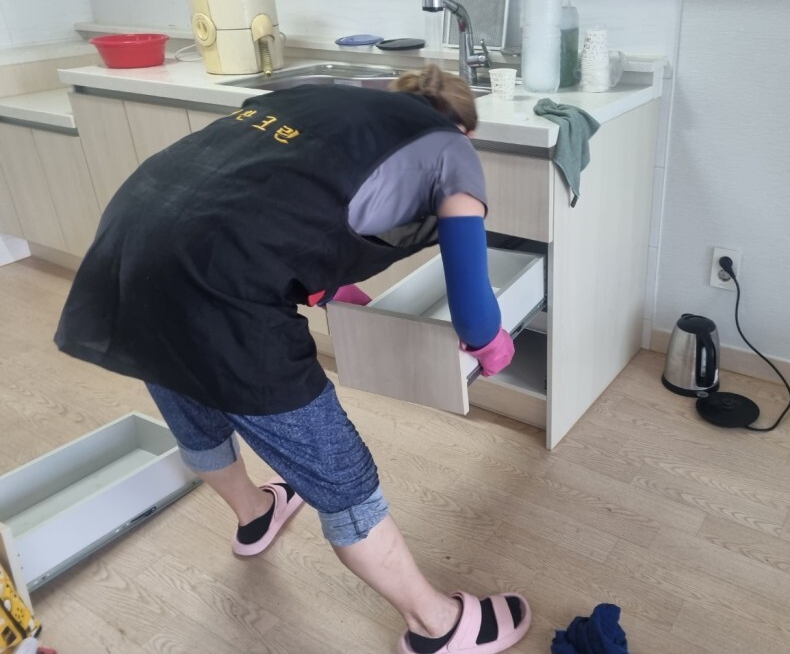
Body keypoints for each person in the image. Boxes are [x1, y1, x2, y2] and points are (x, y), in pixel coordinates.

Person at [54, 64, 531, 654]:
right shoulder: (452, 152)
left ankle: (255, 513)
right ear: (464, 130)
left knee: (189, 400)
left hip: (129, 246)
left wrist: (336, 292)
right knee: (340, 476)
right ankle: (439, 626)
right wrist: (490, 343)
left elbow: (278, 201)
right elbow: (473, 308)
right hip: (220, 286)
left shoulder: (323, 102)